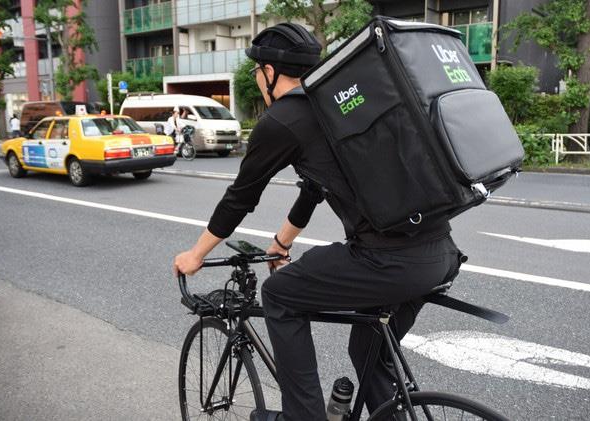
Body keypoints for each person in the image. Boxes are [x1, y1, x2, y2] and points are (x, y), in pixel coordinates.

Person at [173, 23, 463, 421]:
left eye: (257, 70)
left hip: (388, 260)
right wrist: (282, 243)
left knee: (279, 295)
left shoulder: (283, 119)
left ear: (269, 72)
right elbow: (314, 186)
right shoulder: (334, 106)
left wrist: (195, 255)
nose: (257, 77)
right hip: (440, 253)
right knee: (367, 349)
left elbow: (240, 197)